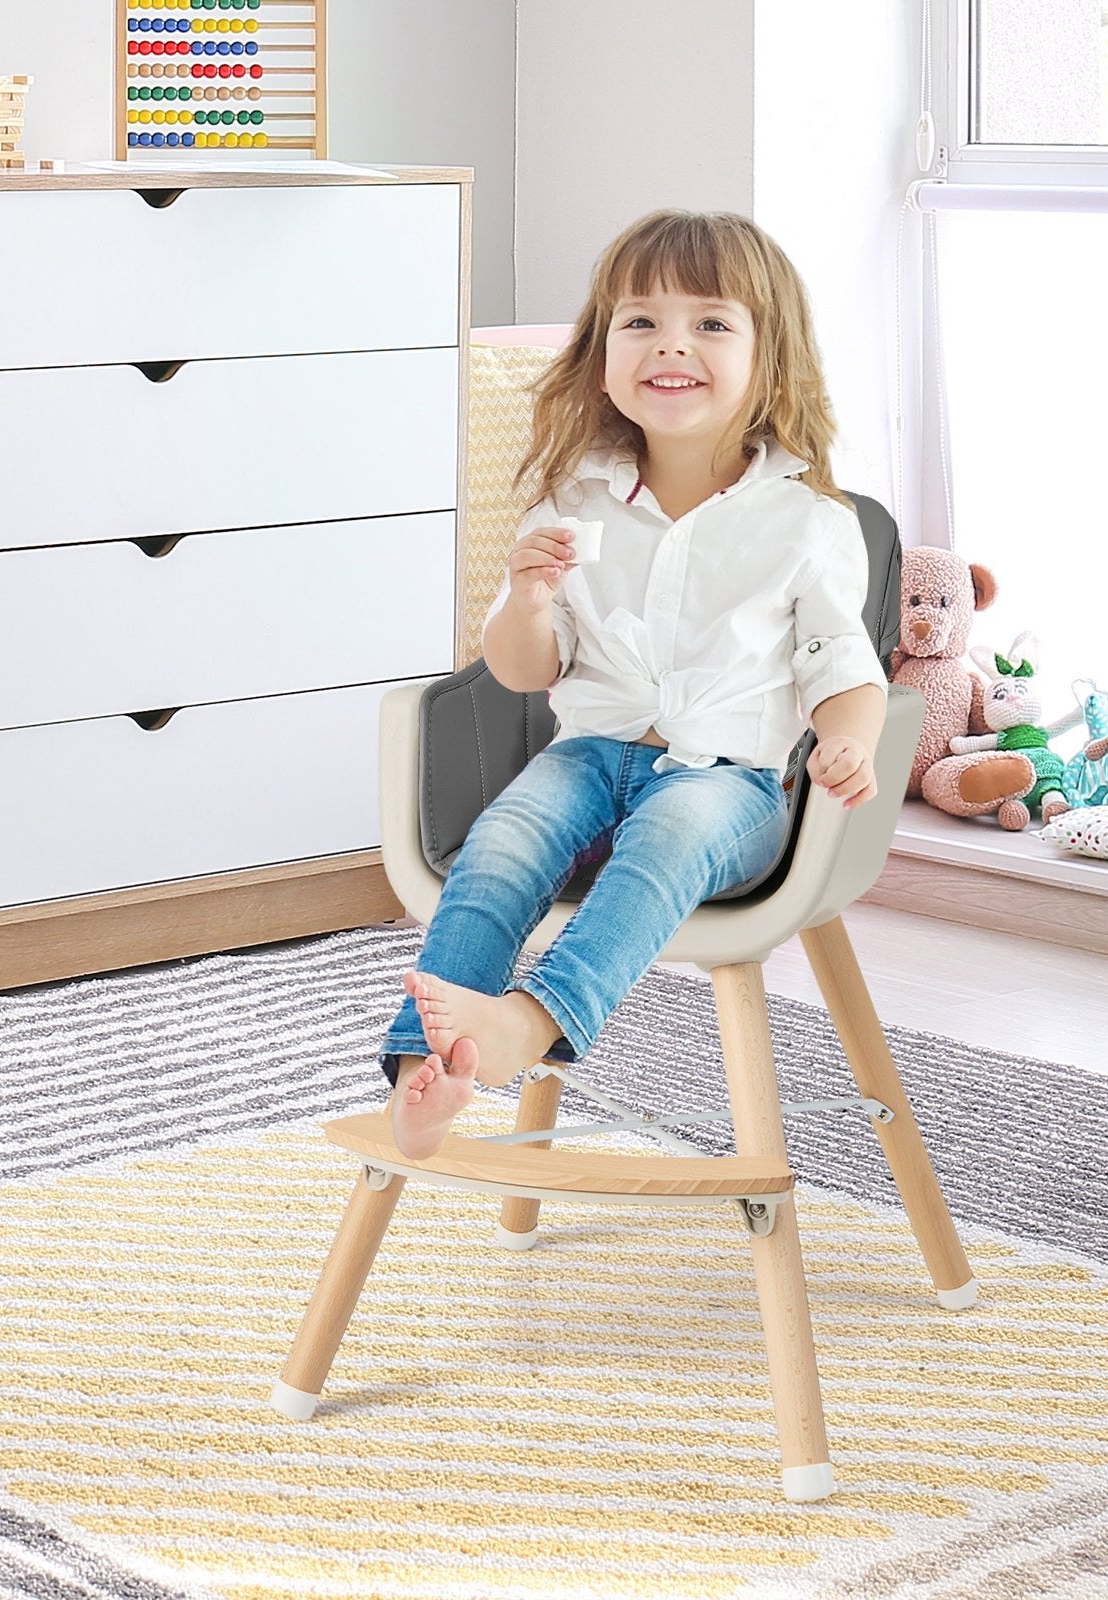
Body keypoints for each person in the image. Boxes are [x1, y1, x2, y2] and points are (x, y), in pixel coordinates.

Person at [380, 208, 889, 1160]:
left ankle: (527, 1027)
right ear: (602, 350)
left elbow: (843, 666)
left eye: (711, 323)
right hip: (589, 754)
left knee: (664, 840)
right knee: (503, 844)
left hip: (726, 785)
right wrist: (529, 601)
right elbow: (525, 673)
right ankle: (426, 1069)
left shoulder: (806, 520)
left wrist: (850, 740)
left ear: (768, 355)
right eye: (641, 321)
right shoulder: (572, 499)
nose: (672, 346)